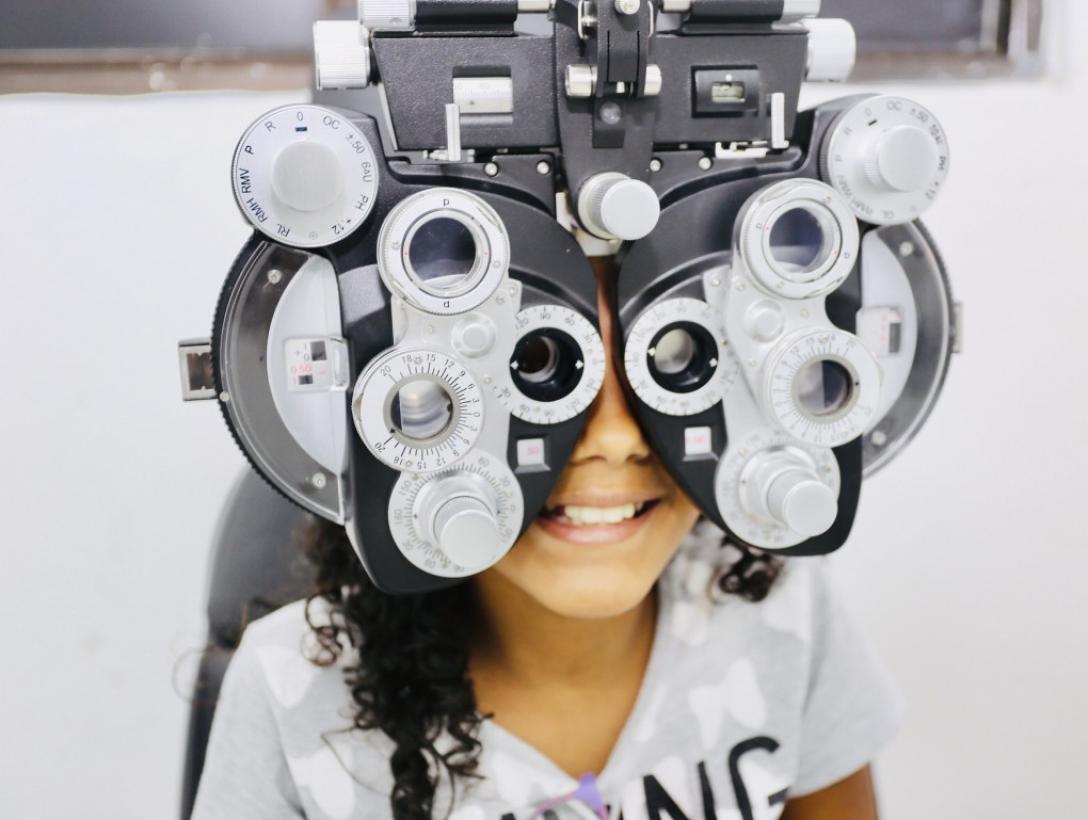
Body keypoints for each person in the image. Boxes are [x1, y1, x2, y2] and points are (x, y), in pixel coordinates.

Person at [191, 256, 905, 820]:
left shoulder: (783, 613)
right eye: (535, 363)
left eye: (674, 356)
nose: (616, 438)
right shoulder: (290, 690)